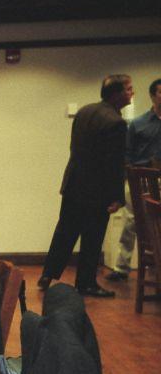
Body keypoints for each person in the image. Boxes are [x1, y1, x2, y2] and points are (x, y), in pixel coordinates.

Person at [41, 74, 133, 297]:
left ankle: (48, 274)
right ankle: (86, 283)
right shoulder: (116, 122)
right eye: (128, 89)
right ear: (116, 94)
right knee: (92, 237)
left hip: (74, 182)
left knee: (65, 231)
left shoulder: (85, 111)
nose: (132, 93)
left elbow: (75, 147)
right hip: (96, 189)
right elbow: (114, 163)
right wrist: (117, 196)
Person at [109, 76, 161, 280]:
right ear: (153, 96)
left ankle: (156, 266)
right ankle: (121, 268)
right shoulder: (138, 124)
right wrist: (127, 178)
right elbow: (127, 154)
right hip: (140, 179)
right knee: (132, 222)